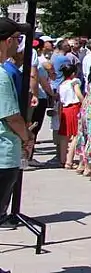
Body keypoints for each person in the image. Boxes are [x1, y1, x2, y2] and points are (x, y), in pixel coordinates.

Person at [0, 26, 34, 223]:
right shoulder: (2, 76)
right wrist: (26, 137)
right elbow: (12, 117)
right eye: (18, 38)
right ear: (8, 41)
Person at [58, 65, 84, 169]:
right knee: (76, 135)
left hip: (65, 109)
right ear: (73, 73)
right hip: (74, 108)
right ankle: (69, 161)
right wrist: (85, 102)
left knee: (65, 136)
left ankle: (63, 160)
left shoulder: (62, 84)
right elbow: (78, 93)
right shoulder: (75, 81)